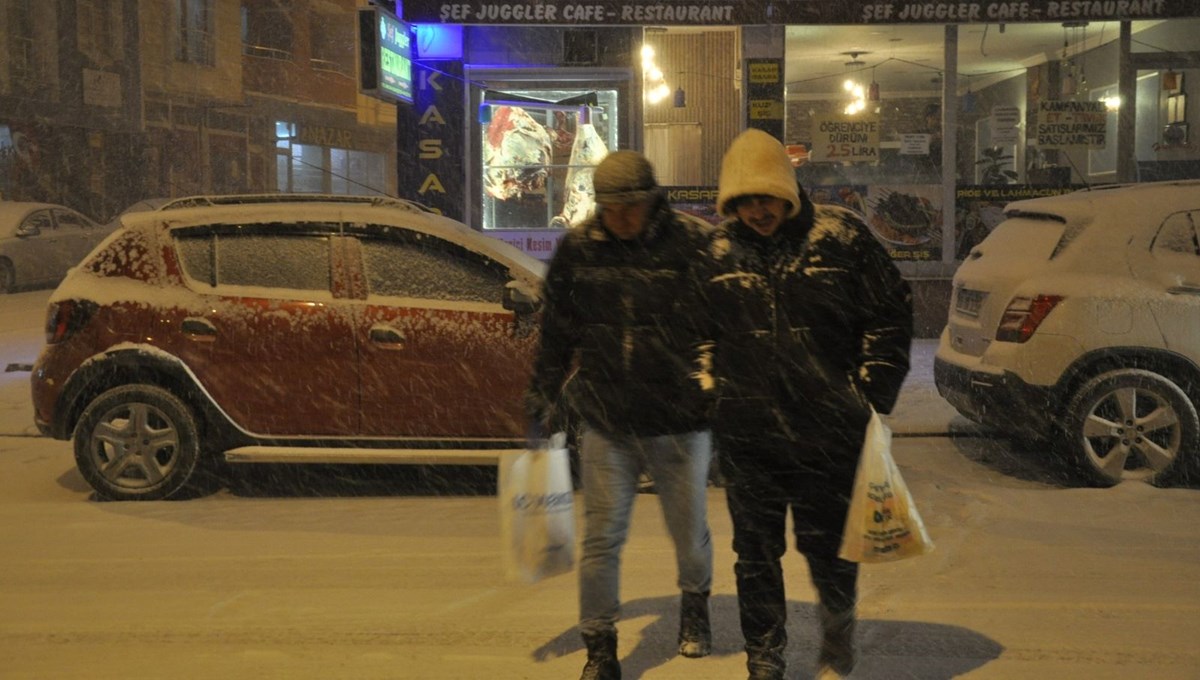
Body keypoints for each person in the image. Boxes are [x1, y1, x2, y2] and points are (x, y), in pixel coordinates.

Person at [696, 129, 913, 680]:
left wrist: (869, 392)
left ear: (787, 191)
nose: (757, 211)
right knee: (756, 559)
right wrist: (709, 392)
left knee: (830, 553)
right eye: (744, 201)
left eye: (765, 197)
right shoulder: (716, 254)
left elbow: (890, 314)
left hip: (828, 435)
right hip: (749, 440)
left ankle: (838, 639)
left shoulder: (841, 237)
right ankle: (764, 661)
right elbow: (695, 334)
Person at [525, 150, 716, 680]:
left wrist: (712, 388)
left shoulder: (695, 245)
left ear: (652, 199)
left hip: (679, 418)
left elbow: (722, 327)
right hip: (607, 418)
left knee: (689, 532)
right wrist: (543, 390)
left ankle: (695, 606)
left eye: (630, 206)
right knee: (602, 538)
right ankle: (600, 647)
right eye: (611, 207)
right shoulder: (579, 251)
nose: (621, 218)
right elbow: (558, 331)